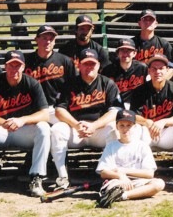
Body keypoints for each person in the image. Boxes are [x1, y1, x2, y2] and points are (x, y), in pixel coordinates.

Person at [0, 50, 50, 197]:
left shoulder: (32, 83)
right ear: (5, 66)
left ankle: (36, 177)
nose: (14, 69)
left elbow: (45, 114)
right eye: (10, 65)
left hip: (24, 130)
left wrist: (22, 120)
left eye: (17, 65)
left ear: (23, 67)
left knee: (44, 127)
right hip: (1, 129)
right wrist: (2, 122)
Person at [50, 48, 123, 189]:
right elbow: (59, 110)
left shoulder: (107, 83)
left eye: (92, 64)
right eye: (86, 64)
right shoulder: (69, 83)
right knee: (57, 130)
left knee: (114, 128)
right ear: (79, 65)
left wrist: (94, 125)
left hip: (98, 130)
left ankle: (111, 175)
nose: (89, 67)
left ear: (98, 65)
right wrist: (77, 125)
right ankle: (62, 176)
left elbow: (115, 111)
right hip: (75, 130)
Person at [129, 53, 173, 183]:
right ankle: (139, 172)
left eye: (161, 68)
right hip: (146, 132)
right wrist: (147, 122)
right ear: (149, 71)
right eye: (154, 68)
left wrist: (163, 122)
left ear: (167, 70)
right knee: (134, 129)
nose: (158, 71)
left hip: (166, 133)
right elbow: (133, 115)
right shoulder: (139, 90)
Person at [96, 109, 165, 208]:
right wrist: (120, 176)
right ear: (117, 127)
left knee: (159, 184)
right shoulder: (111, 146)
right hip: (118, 181)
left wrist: (124, 171)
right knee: (111, 187)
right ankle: (119, 193)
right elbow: (103, 172)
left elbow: (149, 174)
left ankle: (123, 195)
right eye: (122, 125)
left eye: (129, 125)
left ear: (135, 127)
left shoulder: (142, 146)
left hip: (139, 181)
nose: (125, 129)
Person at [24, 25, 76, 124]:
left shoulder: (64, 61)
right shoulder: (26, 61)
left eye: (51, 39)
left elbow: (75, 84)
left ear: (54, 41)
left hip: (57, 108)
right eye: (44, 38)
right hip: (33, 109)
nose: (48, 42)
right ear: (36, 39)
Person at [101, 38, 148, 109]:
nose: (125, 54)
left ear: (134, 53)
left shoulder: (142, 68)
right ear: (117, 53)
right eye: (122, 50)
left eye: (129, 50)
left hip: (137, 105)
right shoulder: (108, 70)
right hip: (115, 105)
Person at [132, 9, 173, 79]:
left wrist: (160, 81)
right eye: (144, 19)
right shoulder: (131, 44)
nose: (148, 22)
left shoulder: (164, 44)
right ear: (139, 23)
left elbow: (171, 68)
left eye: (151, 20)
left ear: (156, 24)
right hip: (136, 80)